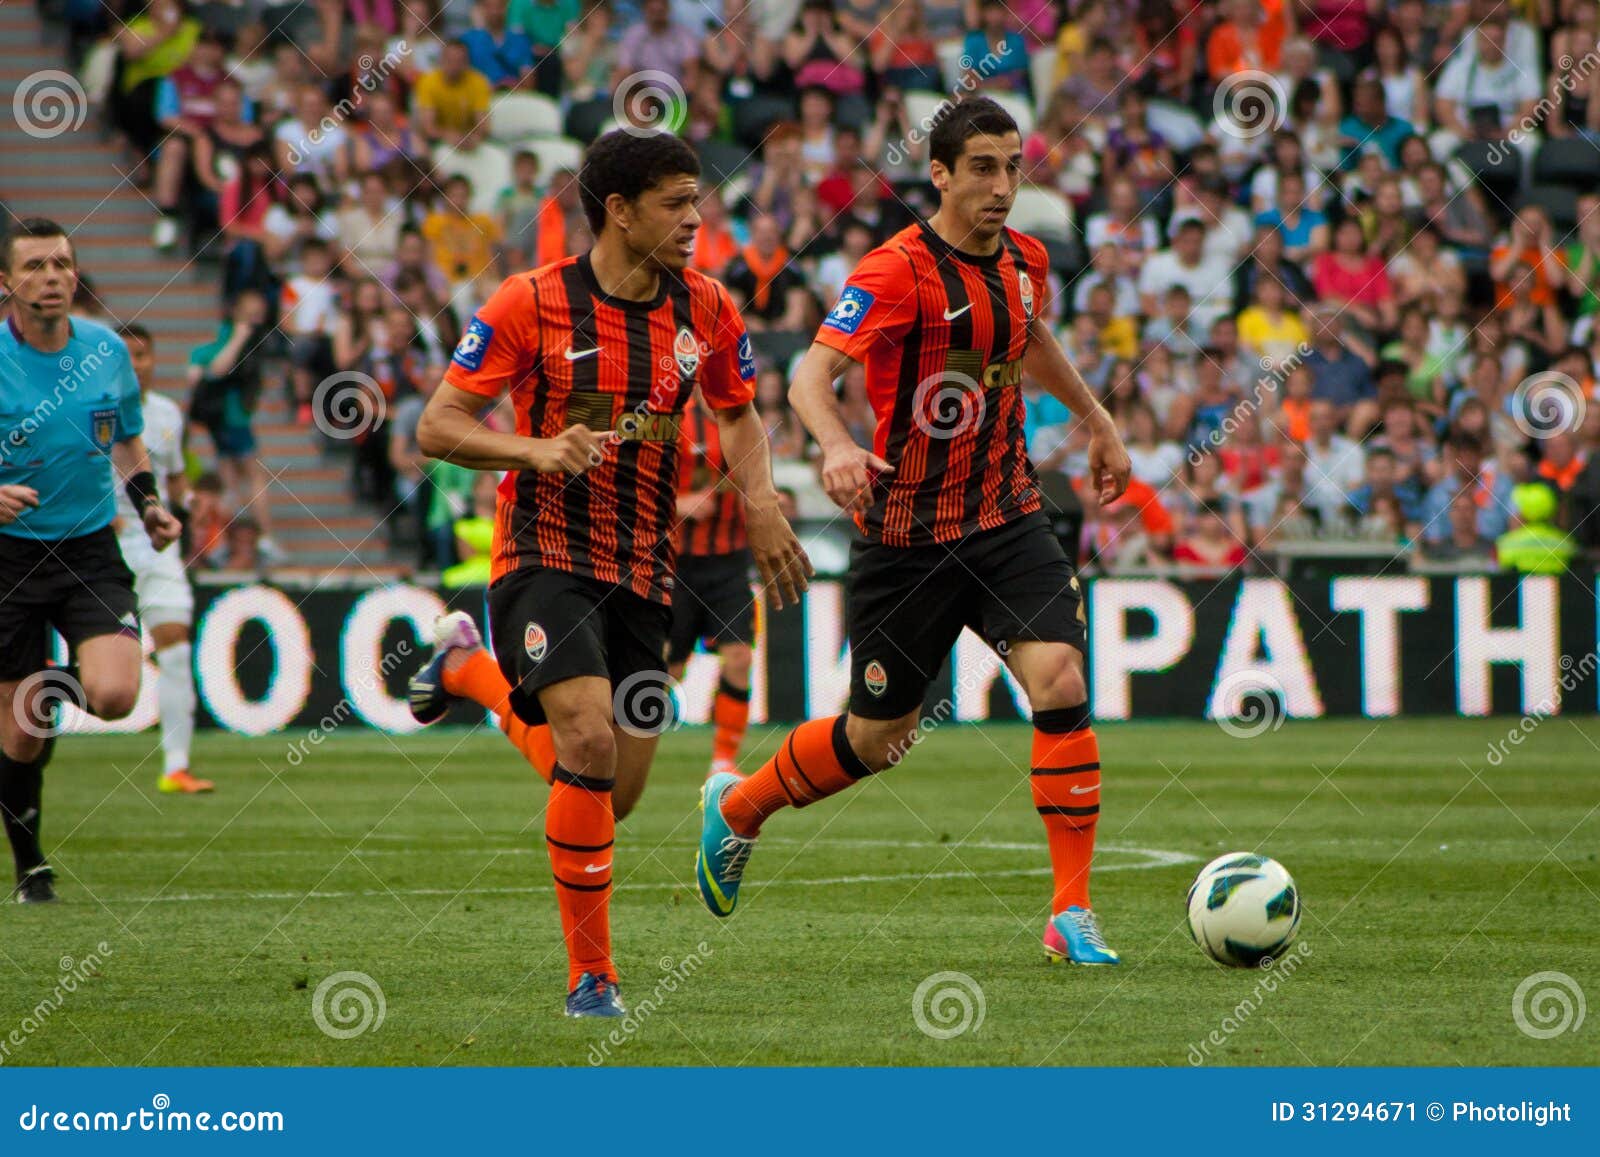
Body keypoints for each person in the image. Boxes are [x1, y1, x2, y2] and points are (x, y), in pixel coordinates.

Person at [693, 98, 1134, 967]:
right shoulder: (895, 271)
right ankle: (739, 808)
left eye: (1012, 166)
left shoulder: (1027, 260)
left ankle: (1070, 911)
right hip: (908, 534)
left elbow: (1029, 333)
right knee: (877, 738)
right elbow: (814, 374)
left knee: (1060, 675)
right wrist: (836, 444)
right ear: (938, 173)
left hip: (1007, 513)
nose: (1003, 185)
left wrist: (1096, 417)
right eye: (982, 167)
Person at [404, 130, 811, 1017]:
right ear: (619, 212)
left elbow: (739, 418)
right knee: (586, 740)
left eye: (697, 200)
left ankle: (466, 670)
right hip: (543, 555)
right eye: (676, 203)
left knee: (612, 793)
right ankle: (594, 976)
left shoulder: (705, 306)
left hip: (645, 569)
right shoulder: (530, 302)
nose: (696, 219)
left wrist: (764, 503)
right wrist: (535, 448)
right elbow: (436, 427)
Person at [0, 219, 183, 903]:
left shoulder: (106, 351)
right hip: (8, 558)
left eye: (62, 263)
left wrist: (152, 504)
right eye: (35, 265)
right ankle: (30, 865)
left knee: (113, 694)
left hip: (88, 546)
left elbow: (128, 443)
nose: (51, 276)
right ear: (7, 282)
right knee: (19, 737)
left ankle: (47, 683)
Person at [112, 326, 209, 794]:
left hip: (157, 546)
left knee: (176, 649)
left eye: (143, 356)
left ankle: (176, 766)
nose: (137, 365)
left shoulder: (168, 413)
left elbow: (172, 480)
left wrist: (188, 502)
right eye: (127, 356)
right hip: (98, 548)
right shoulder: (89, 410)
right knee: (103, 665)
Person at [668, 389, 757, 779]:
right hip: (675, 564)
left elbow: (760, 482)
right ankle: (616, 750)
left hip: (729, 564)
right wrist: (679, 503)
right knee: (667, 669)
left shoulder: (746, 420)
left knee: (739, 658)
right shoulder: (671, 421)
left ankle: (723, 761)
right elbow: (631, 485)